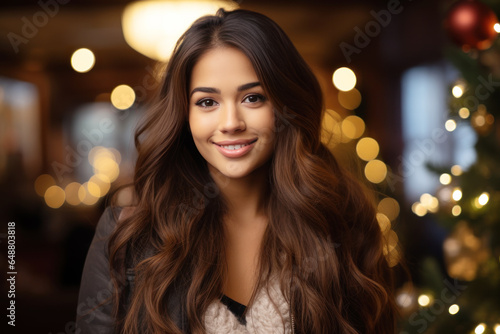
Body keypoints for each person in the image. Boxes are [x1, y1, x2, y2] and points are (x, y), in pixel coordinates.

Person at [76, 8, 399, 334]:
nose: (231, 123)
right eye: (207, 102)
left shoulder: (344, 222)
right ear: (184, 115)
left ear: (285, 106)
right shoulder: (126, 237)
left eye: (253, 98)